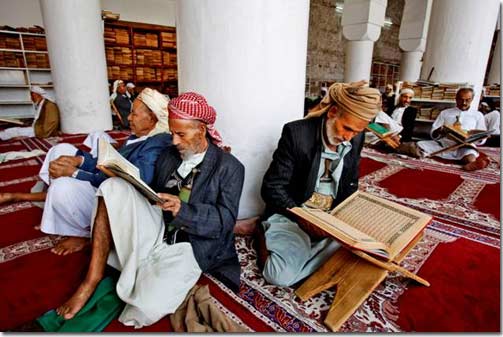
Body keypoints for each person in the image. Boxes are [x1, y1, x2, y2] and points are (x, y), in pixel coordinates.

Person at [55, 92, 245, 328]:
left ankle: (142, 267)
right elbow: (148, 190)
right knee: (112, 187)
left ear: (202, 131)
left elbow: (225, 221)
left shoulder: (230, 168)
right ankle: (91, 280)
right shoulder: (169, 154)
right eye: (173, 132)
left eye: (181, 134)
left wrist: (182, 209)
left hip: (191, 245)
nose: (174, 141)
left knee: (142, 310)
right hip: (157, 226)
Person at [0, 88, 172, 255]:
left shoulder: (157, 142)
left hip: (118, 198)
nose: (128, 117)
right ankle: (58, 207)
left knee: (63, 186)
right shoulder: (140, 135)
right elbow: (113, 162)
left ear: (153, 119)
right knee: (61, 150)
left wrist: (75, 173)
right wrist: (79, 160)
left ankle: (79, 233)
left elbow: (133, 180)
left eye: (134, 114)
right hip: (105, 181)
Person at [256, 80, 381, 287]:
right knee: (279, 277)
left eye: (356, 133)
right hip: (295, 214)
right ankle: (262, 233)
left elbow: (350, 185)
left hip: (330, 218)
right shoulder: (297, 134)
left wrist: (346, 218)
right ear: (332, 112)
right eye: (347, 128)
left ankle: (313, 251)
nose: (348, 138)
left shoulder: (355, 139)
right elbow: (272, 188)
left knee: (372, 247)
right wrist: (304, 218)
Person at [404, 87, 489, 170]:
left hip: (464, 146)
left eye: (468, 100)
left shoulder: (478, 115)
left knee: (469, 156)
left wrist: (477, 138)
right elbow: (433, 132)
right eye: (461, 99)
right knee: (419, 144)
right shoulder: (445, 113)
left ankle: (472, 164)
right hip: (444, 144)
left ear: (472, 99)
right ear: (456, 98)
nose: (464, 103)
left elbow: (481, 137)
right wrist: (439, 131)